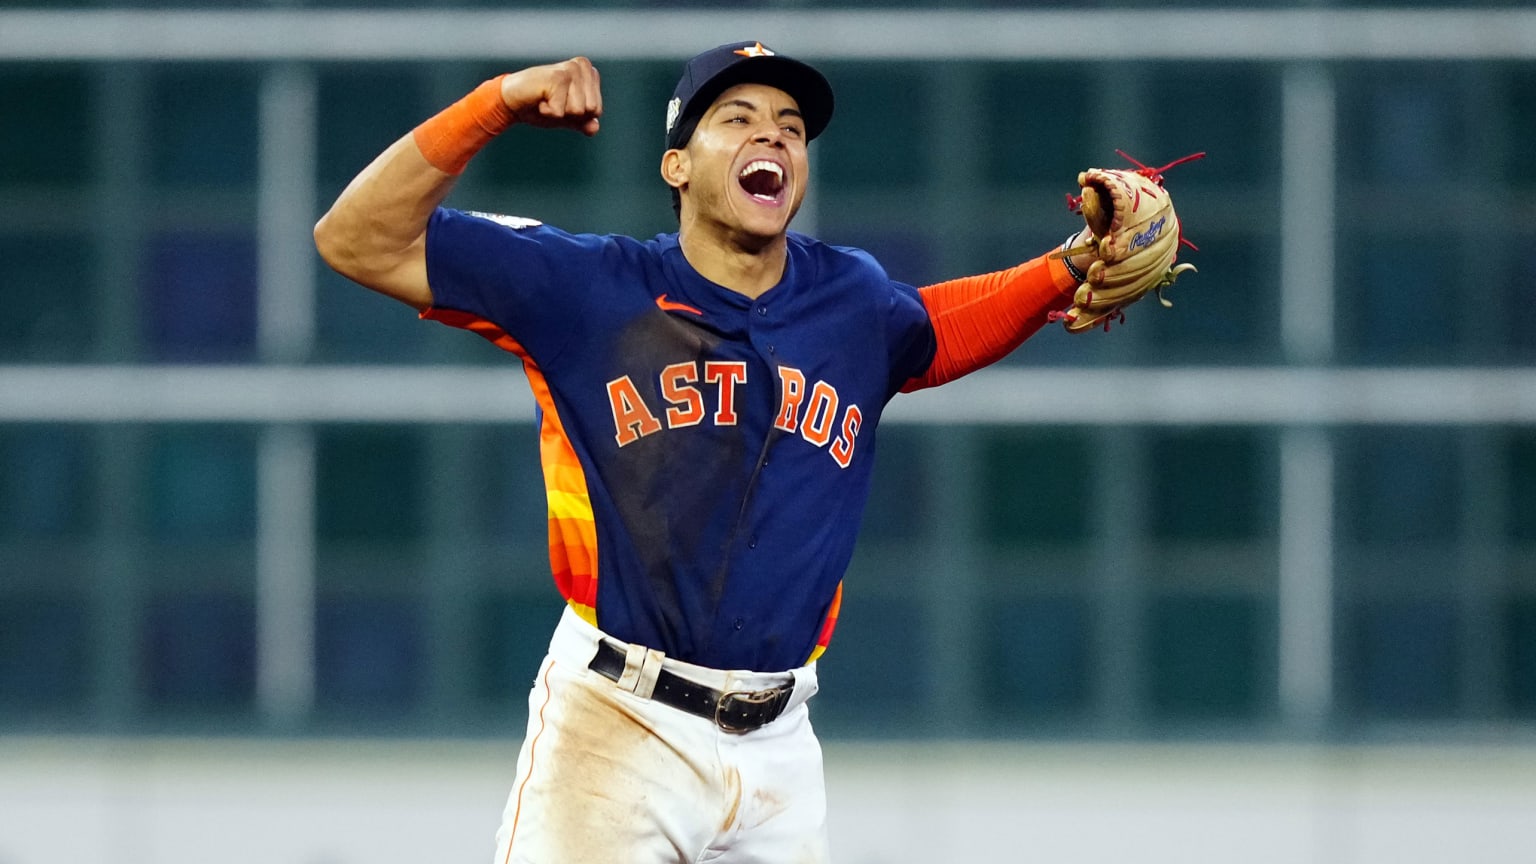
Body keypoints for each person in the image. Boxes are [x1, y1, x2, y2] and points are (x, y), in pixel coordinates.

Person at [315, 40, 1097, 864]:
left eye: (791, 128)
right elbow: (355, 239)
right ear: (677, 166)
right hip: (619, 722)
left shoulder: (850, 301)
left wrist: (1067, 267)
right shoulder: (587, 288)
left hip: (779, 747)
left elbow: (935, 329)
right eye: (739, 119)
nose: (774, 138)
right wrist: (496, 102)